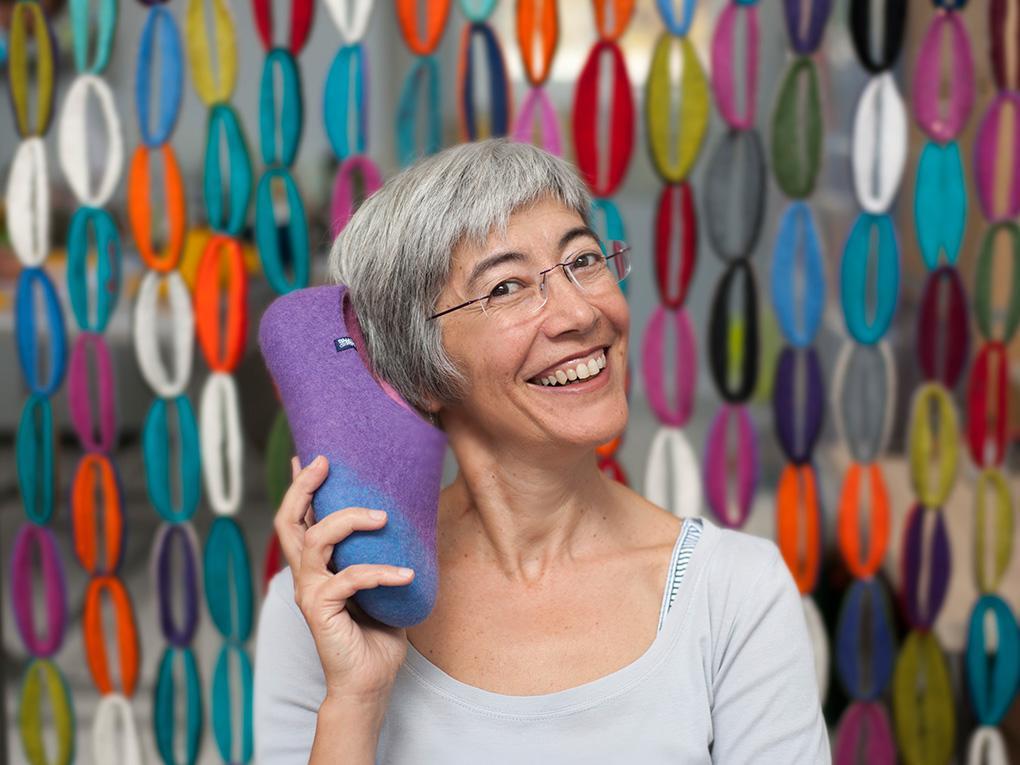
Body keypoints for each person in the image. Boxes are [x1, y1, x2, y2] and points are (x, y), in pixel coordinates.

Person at [253, 138, 830, 763]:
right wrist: (355, 700)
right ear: (420, 371)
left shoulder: (736, 592)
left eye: (583, 260)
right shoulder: (326, 609)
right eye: (506, 287)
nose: (579, 313)